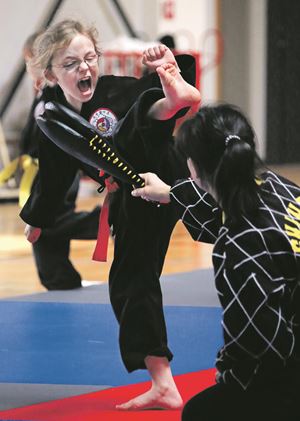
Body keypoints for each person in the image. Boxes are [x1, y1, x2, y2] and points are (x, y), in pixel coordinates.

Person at [19, 19, 201, 409]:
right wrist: (37, 217)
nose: (85, 68)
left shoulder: (113, 89)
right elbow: (53, 172)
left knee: (139, 114)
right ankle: (162, 381)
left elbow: (148, 116)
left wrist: (168, 88)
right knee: (131, 280)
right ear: (49, 72)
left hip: (160, 175)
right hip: (133, 192)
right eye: (71, 63)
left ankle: (176, 92)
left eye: (89, 58)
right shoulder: (51, 115)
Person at [131, 103, 300, 420]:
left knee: (201, 413)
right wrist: (170, 193)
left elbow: (260, 344)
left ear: (193, 167)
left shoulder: (237, 245)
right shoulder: (279, 187)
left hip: (290, 375)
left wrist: (228, 377)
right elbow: (233, 214)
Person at [20, 30, 101, 290]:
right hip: (41, 170)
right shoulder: (42, 95)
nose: (28, 70)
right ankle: (61, 279)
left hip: (58, 169)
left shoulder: (57, 95)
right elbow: (31, 134)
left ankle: (102, 222)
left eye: (30, 63)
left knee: (46, 223)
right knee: (42, 230)